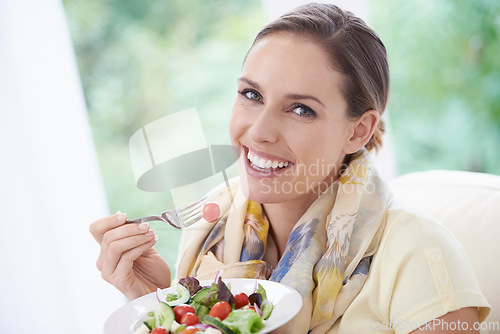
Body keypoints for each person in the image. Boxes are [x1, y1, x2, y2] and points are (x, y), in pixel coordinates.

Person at [90, 3, 490, 333]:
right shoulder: (211, 230)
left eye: (301, 109)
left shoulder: (415, 253)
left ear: (359, 130)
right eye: (251, 94)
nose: (259, 132)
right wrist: (160, 304)